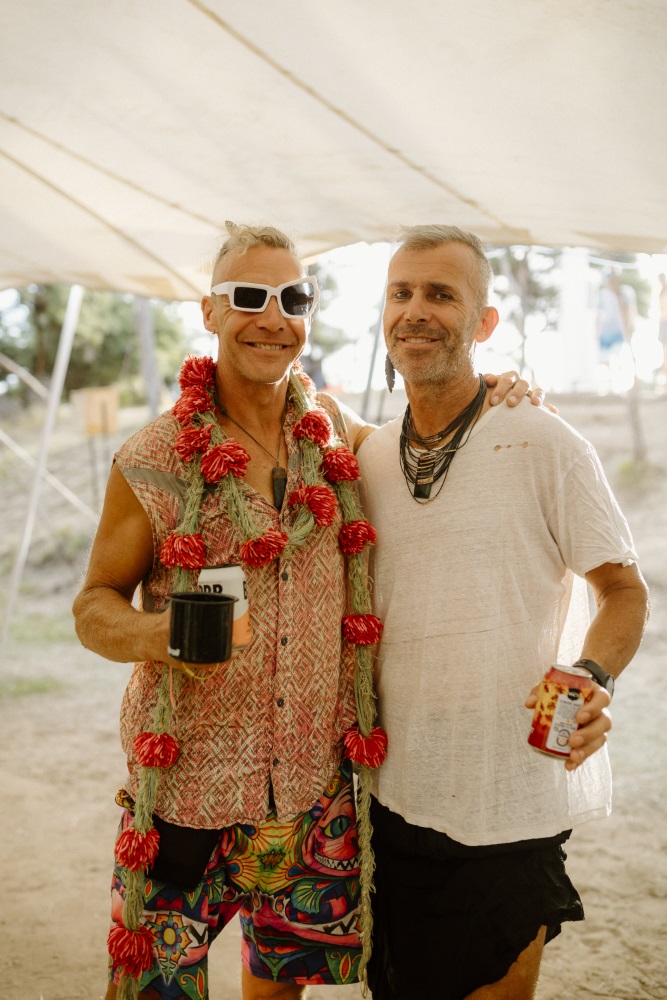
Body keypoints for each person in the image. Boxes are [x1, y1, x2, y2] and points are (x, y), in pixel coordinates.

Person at [72, 221, 532, 1000]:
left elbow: (429, 435)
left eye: (293, 298)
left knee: (280, 987)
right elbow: (92, 607)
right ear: (210, 311)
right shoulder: (152, 457)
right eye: (248, 296)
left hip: (311, 796)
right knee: (151, 988)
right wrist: (165, 632)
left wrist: (499, 392)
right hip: (187, 794)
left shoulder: (338, 438)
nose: (272, 317)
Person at [357, 225, 650, 1000]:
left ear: (484, 321)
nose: (415, 310)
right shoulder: (368, 456)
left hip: (511, 797)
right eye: (400, 293)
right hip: (392, 796)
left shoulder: (541, 441)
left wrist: (590, 676)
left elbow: (623, 590)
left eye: (440, 294)